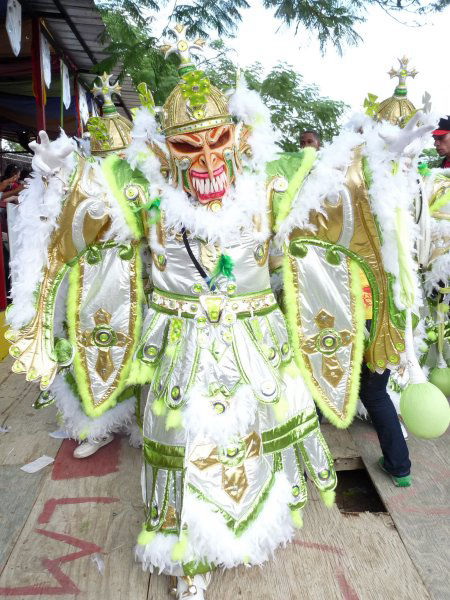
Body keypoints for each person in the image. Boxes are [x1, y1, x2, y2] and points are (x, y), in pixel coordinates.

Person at [7, 31, 436, 599]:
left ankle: (252, 530)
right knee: (183, 449)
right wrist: (58, 178)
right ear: (164, 152)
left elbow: (339, 187)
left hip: (255, 345)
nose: (207, 161)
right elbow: (87, 214)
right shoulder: (145, 196)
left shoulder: (270, 190)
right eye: (189, 149)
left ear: (239, 140)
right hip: (178, 349)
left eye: (218, 142)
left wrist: (385, 159)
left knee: (256, 440)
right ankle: (188, 554)